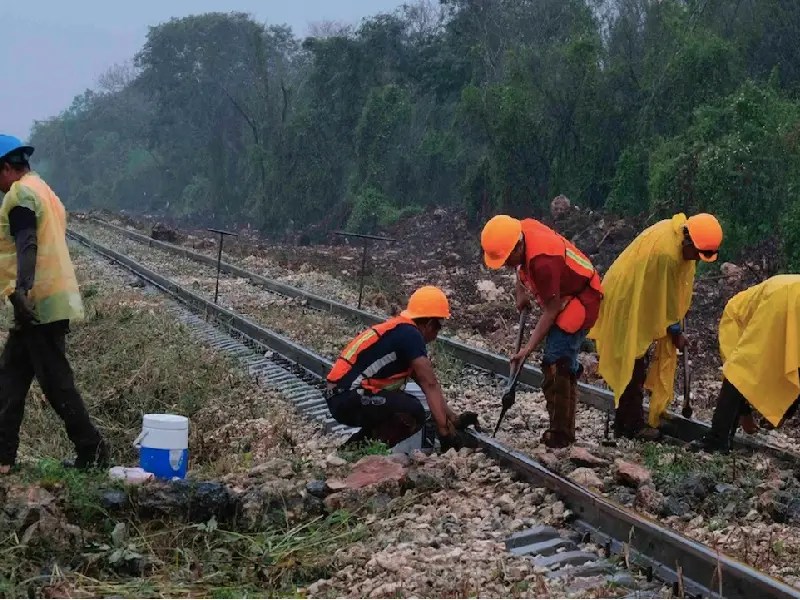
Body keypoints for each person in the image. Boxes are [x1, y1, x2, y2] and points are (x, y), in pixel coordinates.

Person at [0, 135, 109, 473]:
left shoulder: (20, 195)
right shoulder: (43, 189)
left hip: (38, 303)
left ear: (6, 168)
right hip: (44, 299)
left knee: (56, 382)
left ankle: (93, 451)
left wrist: (22, 291)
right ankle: (3, 456)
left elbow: (27, 242)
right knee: (9, 379)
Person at [588, 213, 723, 440]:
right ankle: (630, 426)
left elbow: (671, 293)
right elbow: (666, 302)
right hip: (626, 300)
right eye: (697, 254)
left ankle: (626, 421)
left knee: (636, 361)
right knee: (631, 362)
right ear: (688, 241)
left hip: (638, 295)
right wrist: (676, 332)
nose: (696, 260)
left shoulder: (674, 231)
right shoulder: (667, 256)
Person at [480, 214, 603, 448]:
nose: (505, 265)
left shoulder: (543, 261)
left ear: (518, 246)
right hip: (566, 291)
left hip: (582, 296)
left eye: (507, 259)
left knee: (556, 361)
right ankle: (564, 426)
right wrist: (520, 290)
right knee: (561, 360)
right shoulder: (519, 230)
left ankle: (561, 435)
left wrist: (527, 349)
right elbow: (519, 264)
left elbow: (551, 309)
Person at [325, 285, 462, 449]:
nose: (436, 335)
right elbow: (430, 384)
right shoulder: (411, 335)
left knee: (404, 403)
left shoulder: (402, 331)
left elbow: (427, 384)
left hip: (342, 396)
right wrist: (445, 432)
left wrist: (452, 418)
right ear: (430, 324)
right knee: (411, 412)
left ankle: (350, 451)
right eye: (439, 327)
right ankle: (360, 453)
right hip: (347, 398)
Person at [693, 275, 800, 452]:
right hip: (789, 295)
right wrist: (781, 413)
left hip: (781, 299)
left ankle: (716, 440)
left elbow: (738, 376)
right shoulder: (743, 310)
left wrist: (746, 416)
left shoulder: (732, 316)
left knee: (739, 369)